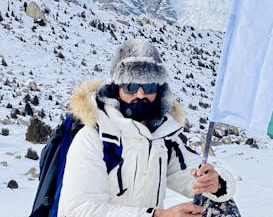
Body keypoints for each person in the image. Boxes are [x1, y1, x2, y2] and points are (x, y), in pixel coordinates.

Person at [58, 38, 236, 216]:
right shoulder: (94, 137)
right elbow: (80, 210)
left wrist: (215, 182)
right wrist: (157, 215)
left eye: (149, 86)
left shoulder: (162, 138)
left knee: (221, 204)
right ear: (116, 89)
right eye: (131, 86)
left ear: (159, 90)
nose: (140, 94)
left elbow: (195, 175)